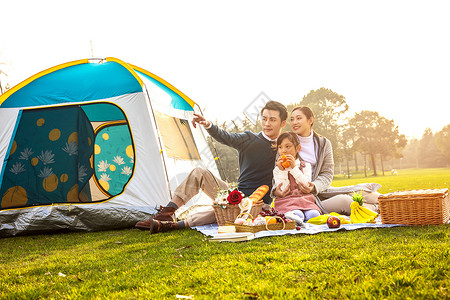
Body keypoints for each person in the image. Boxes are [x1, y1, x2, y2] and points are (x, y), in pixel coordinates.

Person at [135, 100, 288, 233]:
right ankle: (166, 213)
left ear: (282, 123)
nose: (267, 123)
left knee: (220, 214)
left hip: (258, 205)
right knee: (199, 173)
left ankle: (171, 226)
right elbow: (227, 137)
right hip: (236, 195)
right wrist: (208, 124)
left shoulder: (285, 148)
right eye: (265, 119)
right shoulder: (249, 139)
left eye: (272, 120)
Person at [273, 106, 353, 215]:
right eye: (292, 119)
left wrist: (314, 186)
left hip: (319, 191)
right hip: (294, 198)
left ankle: (377, 205)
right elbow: (278, 173)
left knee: (365, 193)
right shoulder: (285, 143)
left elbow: (327, 173)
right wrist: (276, 190)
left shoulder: (324, 144)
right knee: (346, 201)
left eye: (298, 118)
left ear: (310, 120)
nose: (294, 122)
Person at [272, 132, 321, 224]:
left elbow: (306, 185)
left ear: (298, 148)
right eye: (280, 147)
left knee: (314, 214)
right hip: (287, 201)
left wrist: (294, 168)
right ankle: (295, 216)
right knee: (298, 214)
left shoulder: (305, 165)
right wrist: (283, 170)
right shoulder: (277, 170)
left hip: (305, 200)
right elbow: (283, 189)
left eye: (287, 146)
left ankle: (299, 218)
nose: (283, 150)